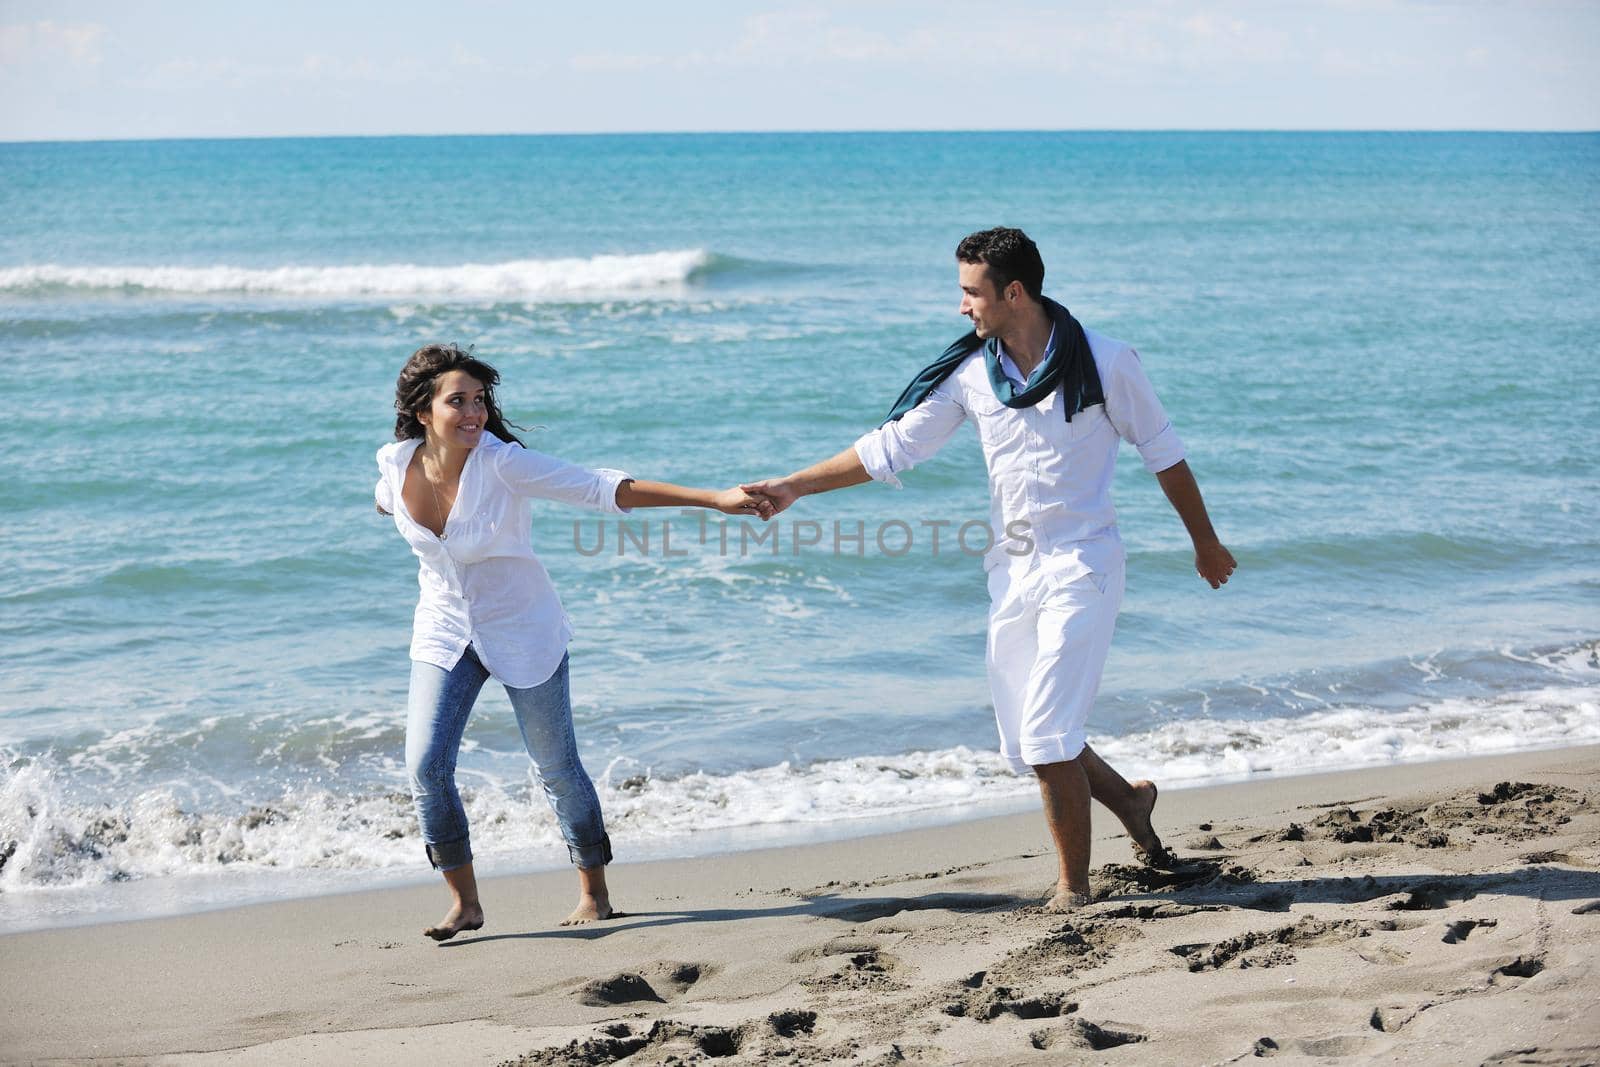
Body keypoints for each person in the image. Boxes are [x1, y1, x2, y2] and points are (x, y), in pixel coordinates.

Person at [742, 228, 1236, 912]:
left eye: (971, 292)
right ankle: (1130, 801)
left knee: (1047, 734)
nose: (962, 307)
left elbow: (1164, 453)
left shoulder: (1107, 362)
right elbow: (893, 447)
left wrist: (1204, 543)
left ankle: (1072, 890)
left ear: (1013, 292)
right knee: (1030, 739)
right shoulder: (973, 375)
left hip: (1085, 563)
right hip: (1013, 572)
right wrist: (796, 484)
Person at [376, 342, 772, 939]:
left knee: (556, 768)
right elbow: (388, 503)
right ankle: (465, 903)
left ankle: (595, 891)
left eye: (480, 400)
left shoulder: (503, 463)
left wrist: (713, 499)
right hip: (444, 630)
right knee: (425, 765)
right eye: (457, 402)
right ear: (422, 411)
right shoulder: (395, 462)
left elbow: (600, 488)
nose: (475, 413)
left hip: (524, 628)